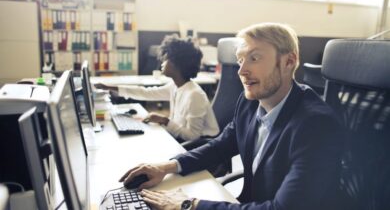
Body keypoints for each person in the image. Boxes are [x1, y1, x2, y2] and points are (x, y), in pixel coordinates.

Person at [119, 23, 344, 210]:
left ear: (288, 62)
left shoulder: (316, 125)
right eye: (240, 60)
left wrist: (190, 205)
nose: (241, 70)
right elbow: (221, 146)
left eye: (254, 58)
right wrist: (166, 167)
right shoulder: (249, 102)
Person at [96, 35, 219, 142]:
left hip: (200, 146)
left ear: (178, 64)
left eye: (166, 59)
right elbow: (146, 93)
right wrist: (111, 87)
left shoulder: (194, 95)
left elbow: (193, 137)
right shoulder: (176, 86)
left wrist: (164, 120)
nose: (162, 62)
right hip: (181, 139)